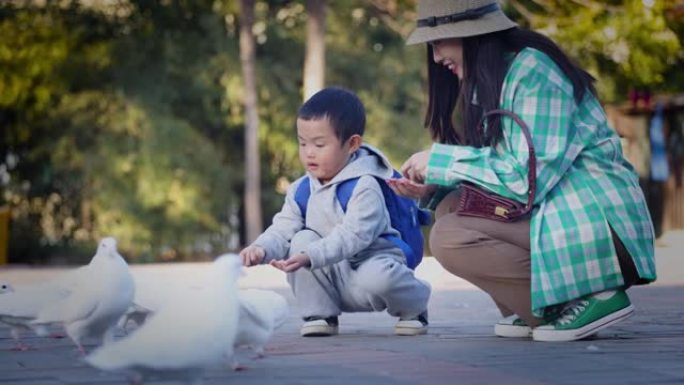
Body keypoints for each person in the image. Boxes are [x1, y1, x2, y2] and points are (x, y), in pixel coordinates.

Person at [389, 0, 656, 342]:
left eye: (439, 42)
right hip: (562, 218)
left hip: (601, 228)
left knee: (449, 237)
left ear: (470, 35)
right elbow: (504, 171)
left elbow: (525, 178)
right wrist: (433, 186)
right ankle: (542, 305)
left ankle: (589, 296)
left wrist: (440, 161)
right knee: (449, 206)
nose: (437, 56)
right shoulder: (493, 80)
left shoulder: (534, 72)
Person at [240, 87, 431, 337]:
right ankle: (320, 313)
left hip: (370, 268)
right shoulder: (300, 189)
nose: (309, 152)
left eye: (319, 144)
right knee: (300, 239)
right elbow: (283, 229)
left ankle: (414, 306)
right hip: (331, 272)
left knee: (378, 277)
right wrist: (262, 248)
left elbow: (355, 235)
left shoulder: (366, 184)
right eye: (302, 143)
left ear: (352, 143)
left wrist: (311, 256)